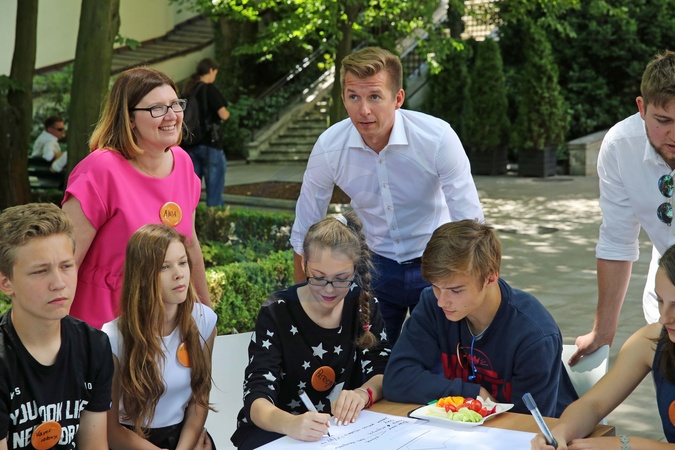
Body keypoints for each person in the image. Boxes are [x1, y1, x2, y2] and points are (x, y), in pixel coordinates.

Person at [290, 46, 484, 345]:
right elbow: (305, 230)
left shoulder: (437, 138)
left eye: (375, 97)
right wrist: (304, 306)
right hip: (375, 266)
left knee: (440, 359)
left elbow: (471, 225)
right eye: (353, 97)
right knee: (369, 360)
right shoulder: (329, 147)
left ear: (398, 98)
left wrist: (476, 298)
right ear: (343, 97)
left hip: (436, 263)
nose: (363, 110)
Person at [62, 66, 211, 330]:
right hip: (103, 329)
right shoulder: (100, 169)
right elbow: (65, 261)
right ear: (129, 118)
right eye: (157, 108)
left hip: (163, 327)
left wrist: (206, 316)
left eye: (175, 104)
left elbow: (190, 245)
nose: (172, 116)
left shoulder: (184, 163)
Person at [383, 220, 577, 417]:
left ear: (490, 278)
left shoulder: (533, 334)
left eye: (456, 290)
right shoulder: (432, 304)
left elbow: (530, 424)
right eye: (435, 286)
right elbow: (396, 379)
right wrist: (473, 394)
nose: (441, 301)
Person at [231, 212, 391, 449]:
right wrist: (291, 424)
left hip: (342, 431)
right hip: (277, 432)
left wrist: (362, 393)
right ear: (303, 263)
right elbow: (256, 397)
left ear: (355, 269)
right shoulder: (278, 311)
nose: (329, 289)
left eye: (341, 278)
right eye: (318, 277)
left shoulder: (363, 305)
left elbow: (382, 371)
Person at [572, 50, 675, 366]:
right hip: (666, 304)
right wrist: (602, 332)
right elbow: (617, 241)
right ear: (642, 108)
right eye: (663, 121)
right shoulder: (620, 146)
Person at [532, 244, 675, 449]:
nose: (664, 317)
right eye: (660, 300)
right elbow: (593, 405)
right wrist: (559, 433)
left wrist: (625, 445)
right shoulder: (651, 341)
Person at [0, 203, 113, 449]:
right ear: (6, 282)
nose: (59, 283)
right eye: (40, 271)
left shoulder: (94, 346)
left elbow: (94, 445)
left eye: (66, 266)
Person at [103, 224, 216, 450]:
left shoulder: (204, 320)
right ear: (142, 276)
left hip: (185, 438)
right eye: (165, 266)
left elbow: (199, 401)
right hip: (132, 442)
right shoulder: (113, 337)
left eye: (182, 263)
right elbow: (110, 429)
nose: (179, 274)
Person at [182, 58, 230, 207]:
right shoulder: (209, 89)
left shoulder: (188, 90)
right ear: (211, 70)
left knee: (191, 192)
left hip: (190, 144)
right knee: (214, 193)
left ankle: (191, 219)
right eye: (215, 72)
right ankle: (213, 219)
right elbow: (223, 114)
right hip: (210, 143)